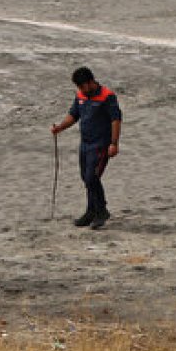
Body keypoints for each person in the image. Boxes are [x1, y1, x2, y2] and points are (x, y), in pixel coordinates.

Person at [50, 66, 122, 229]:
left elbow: (116, 120)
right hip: (85, 144)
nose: (81, 90)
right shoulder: (81, 95)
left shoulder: (107, 96)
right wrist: (60, 127)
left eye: (82, 86)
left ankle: (101, 210)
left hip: (101, 145)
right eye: (79, 87)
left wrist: (114, 143)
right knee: (86, 178)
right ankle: (91, 211)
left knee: (91, 177)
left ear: (91, 82)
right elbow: (74, 115)